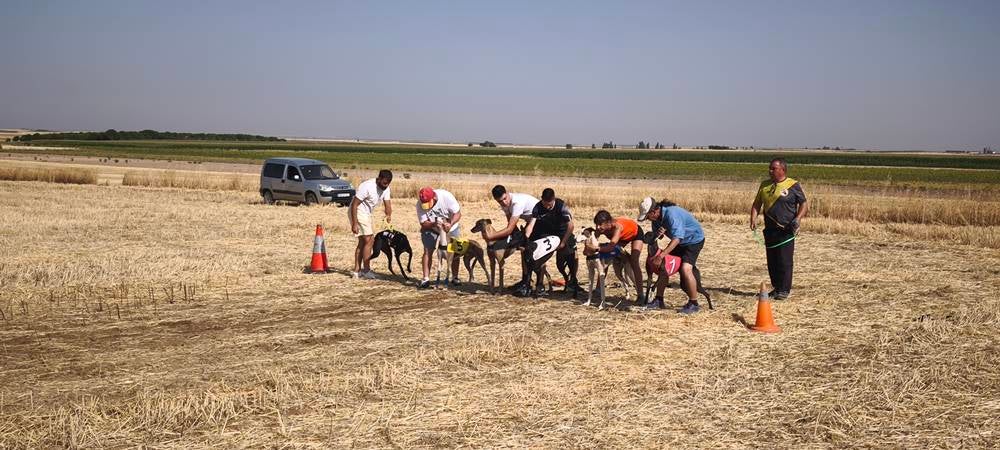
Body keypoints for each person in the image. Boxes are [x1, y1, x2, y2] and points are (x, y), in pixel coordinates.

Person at [750, 158, 808, 300]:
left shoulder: (793, 185)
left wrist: (798, 219)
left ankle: (784, 290)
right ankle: (776, 288)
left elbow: (804, 204)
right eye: (769, 168)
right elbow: (757, 204)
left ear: (782, 169)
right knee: (772, 261)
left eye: (773, 168)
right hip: (770, 230)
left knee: (784, 260)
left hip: (786, 229)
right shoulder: (764, 185)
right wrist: (753, 218)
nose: (770, 171)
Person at [638, 197, 706, 314]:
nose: (648, 219)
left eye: (648, 216)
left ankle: (694, 303)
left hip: (693, 240)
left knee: (685, 269)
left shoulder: (672, 214)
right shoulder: (656, 219)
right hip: (680, 241)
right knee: (664, 268)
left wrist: (661, 255)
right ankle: (659, 300)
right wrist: (660, 234)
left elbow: (677, 238)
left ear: (654, 211)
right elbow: (657, 237)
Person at [478, 185, 538, 293]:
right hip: (530, 222)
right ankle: (525, 280)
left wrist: (492, 237)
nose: (504, 203)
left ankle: (535, 283)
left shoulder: (517, 203)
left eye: (505, 199)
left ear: (507, 193)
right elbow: (510, 223)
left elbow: (509, 229)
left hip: (541, 221)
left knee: (529, 250)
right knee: (523, 249)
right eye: (500, 201)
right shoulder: (504, 204)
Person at [523, 188, 578, 296]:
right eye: (545, 204)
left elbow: (571, 226)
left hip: (563, 232)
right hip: (547, 232)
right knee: (538, 255)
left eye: (550, 204)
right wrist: (526, 239)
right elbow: (531, 225)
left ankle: (572, 282)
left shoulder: (561, 206)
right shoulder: (537, 207)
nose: (547, 207)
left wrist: (563, 242)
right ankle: (539, 284)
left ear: (554, 199)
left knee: (566, 259)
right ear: (541, 199)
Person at [592, 210, 645, 304]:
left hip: (635, 234)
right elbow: (593, 239)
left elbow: (610, 247)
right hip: (621, 239)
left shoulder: (617, 227)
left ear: (608, 222)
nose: (597, 227)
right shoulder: (601, 228)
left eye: (600, 224)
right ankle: (598, 289)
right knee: (605, 259)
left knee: (634, 261)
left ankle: (641, 295)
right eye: (596, 224)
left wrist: (597, 248)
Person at [416, 186, 463, 289]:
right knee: (427, 250)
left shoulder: (446, 196)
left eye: (428, 203)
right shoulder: (420, 204)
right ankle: (425, 279)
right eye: (424, 204)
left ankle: (455, 277)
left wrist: (450, 223)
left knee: (455, 251)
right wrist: (433, 224)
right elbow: (423, 223)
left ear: (434, 197)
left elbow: (458, 214)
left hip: (451, 227)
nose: (426, 207)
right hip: (431, 227)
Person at [349, 170, 392, 279]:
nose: (386, 186)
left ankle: (356, 271)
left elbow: (387, 204)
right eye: (384, 183)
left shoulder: (386, 188)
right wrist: (354, 223)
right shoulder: (367, 186)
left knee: (363, 242)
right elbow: (354, 204)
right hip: (357, 211)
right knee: (369, 240)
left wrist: (388, 215)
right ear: (379, 178)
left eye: (388, 183)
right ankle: (366, 270)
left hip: (366, 213)